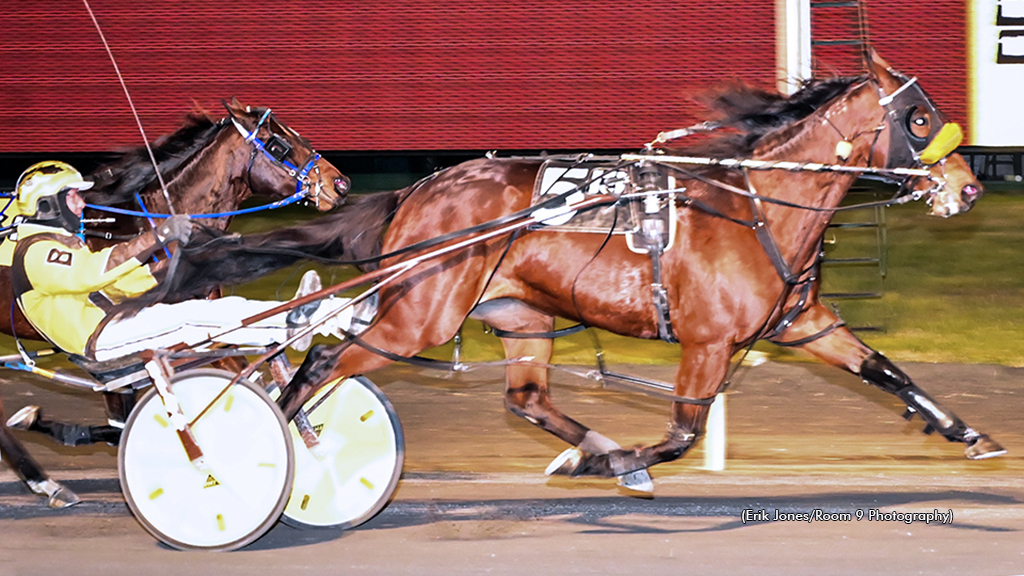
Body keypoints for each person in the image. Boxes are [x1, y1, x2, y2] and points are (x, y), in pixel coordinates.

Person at [7, 160, 352, 362]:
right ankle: (304, 319)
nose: (81, 204)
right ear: (45, 205)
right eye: (72, 197)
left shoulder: (61, 245)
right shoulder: (34, 251)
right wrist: (157, 236)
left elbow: (120, 283)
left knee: (206, 310)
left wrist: (175, 268)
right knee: (196, 318)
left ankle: (311, 315)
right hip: (101, 337)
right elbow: (92, 274)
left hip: (117, 322)